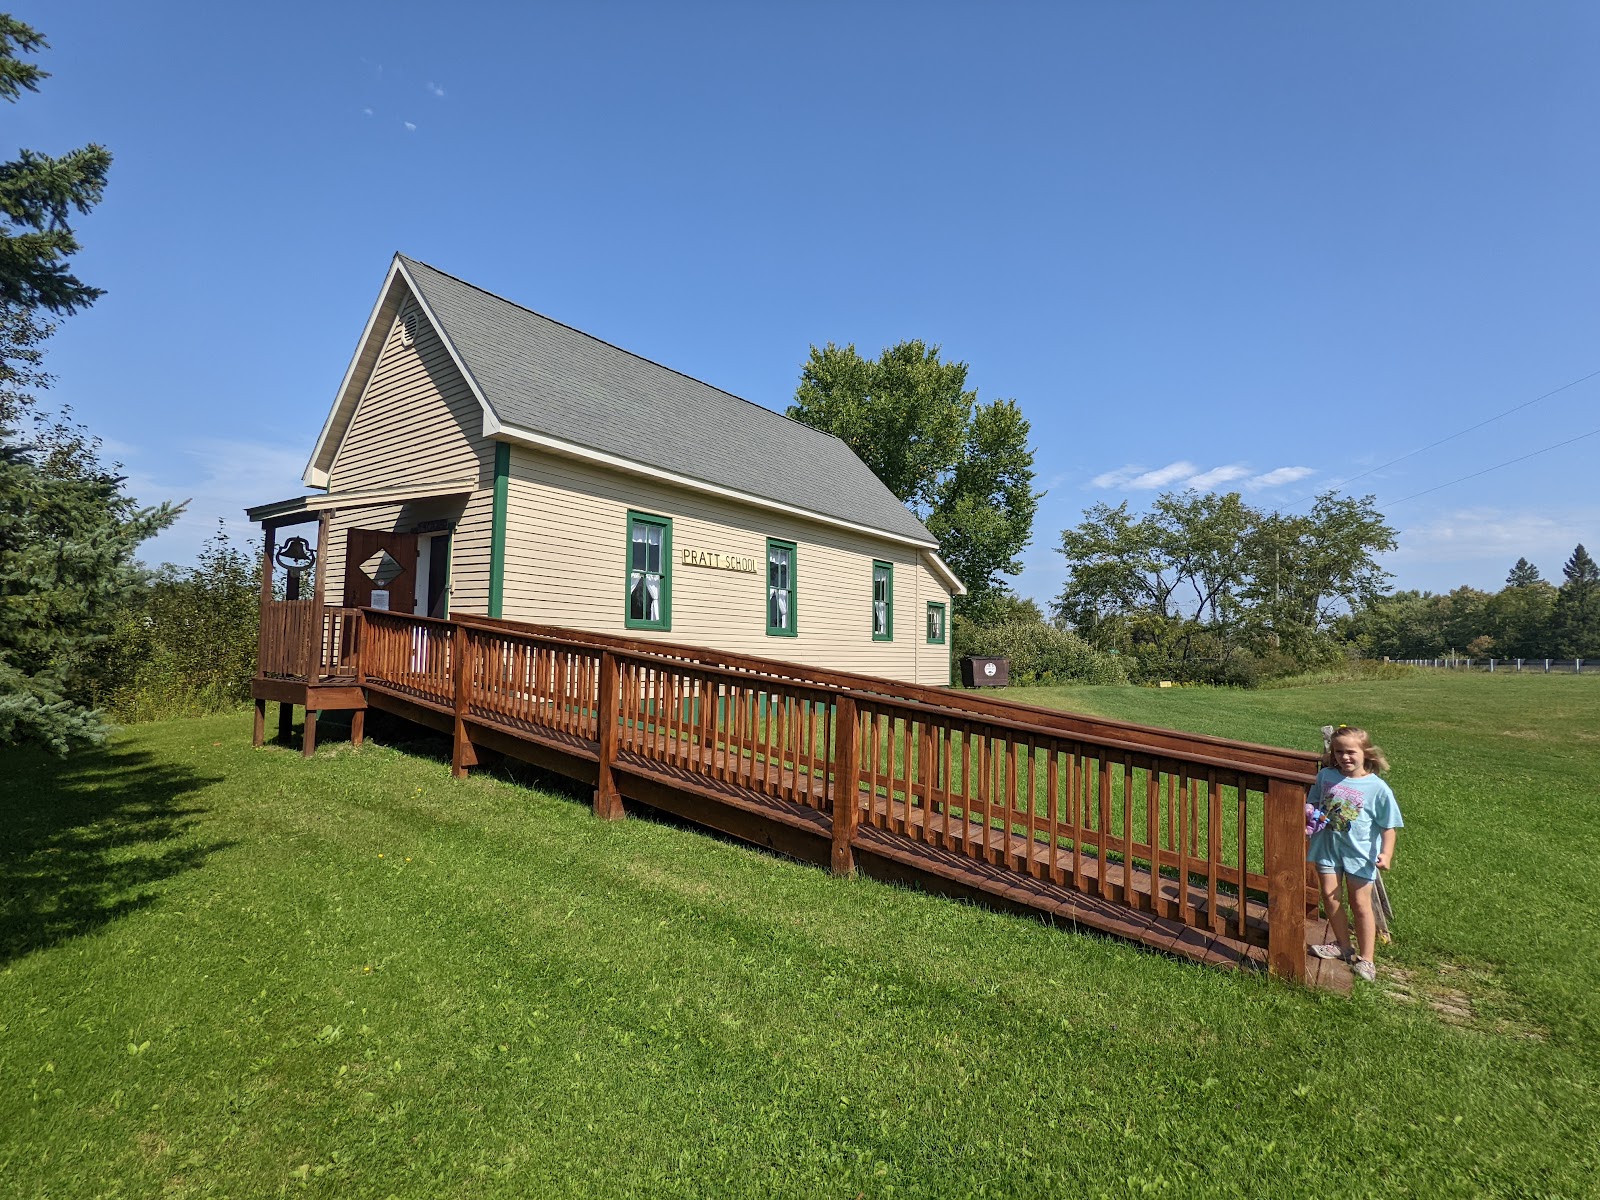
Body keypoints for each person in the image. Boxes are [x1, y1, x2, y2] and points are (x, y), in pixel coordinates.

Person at [1306, 725, 1403, 982]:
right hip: (1327, 848)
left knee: (1360, 905)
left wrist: (1387, 854)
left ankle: (1367, 959)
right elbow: (1313, 803)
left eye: (1350, 752)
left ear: (1366, 753)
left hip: (1360, 855)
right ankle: (1343, 947)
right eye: (1339, 752)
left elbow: (1388, 826)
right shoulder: (1326, 776)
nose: (1344, 757)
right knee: (1330, 898)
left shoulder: (1377, 788)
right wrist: (1310, 815)